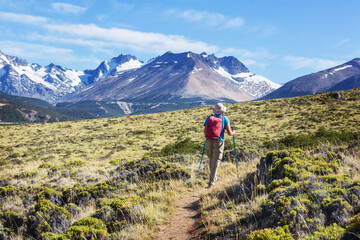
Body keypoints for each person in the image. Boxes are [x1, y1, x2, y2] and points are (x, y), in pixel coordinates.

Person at [204, 103, 235, 188]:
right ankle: (211, 183)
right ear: (223, 111)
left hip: (209, 141)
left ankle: (214, 178)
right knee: (216, 161)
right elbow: (229, 133)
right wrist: (233, 132)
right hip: (219, 142)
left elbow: (205, 130)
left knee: (211, 160)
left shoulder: (209, 118)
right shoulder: (225, 119)